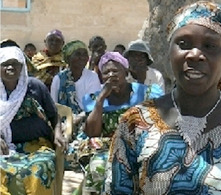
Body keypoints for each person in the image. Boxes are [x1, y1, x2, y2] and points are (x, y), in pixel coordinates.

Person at [103, 1, 221, 194]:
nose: (195, 55)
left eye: (210, 45)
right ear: (169, 51)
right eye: (183, 44)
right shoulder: (134, 124)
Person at [77, 51, 164, 193]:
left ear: (125, 71)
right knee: (98, 166)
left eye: (115, 71)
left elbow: (157, 122)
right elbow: (93, 133)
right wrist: (101, 100)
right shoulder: (94, 99)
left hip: (141, 146)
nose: (111, 75)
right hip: (108, 148)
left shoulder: (147, 93)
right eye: (106, 73)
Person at [0, 46, 66, 194]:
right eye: (5, 64)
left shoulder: (35, 86)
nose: (10, 67)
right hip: (5, 148)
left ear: (22, 66)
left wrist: (58, 134)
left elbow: (54, 115)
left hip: (37, 146)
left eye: (15, 63)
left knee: (40, 169)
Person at [50, 40, 102, 170]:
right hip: (62, 120)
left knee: (83, 144)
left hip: (85, 119)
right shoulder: (59, 79)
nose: (82, 58)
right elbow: (54, 106)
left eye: (85, 54)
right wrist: (65, 122)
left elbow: (92, 106)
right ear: (68, 58)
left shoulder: (92, 77)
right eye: (77, 54)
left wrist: (75, 119)